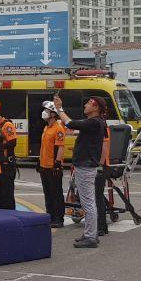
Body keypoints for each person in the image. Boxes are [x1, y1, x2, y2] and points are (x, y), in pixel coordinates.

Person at [51, 93, 106, 249]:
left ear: (96, 107)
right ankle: (90, 233)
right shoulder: (94, 122)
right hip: (86, 165)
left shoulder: (95, 123)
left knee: (88, 202)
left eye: (88, 103)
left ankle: (90, 236)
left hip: (86, 166)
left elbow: (69, 123)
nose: (85, 105)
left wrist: (59, 108)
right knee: (88, 201)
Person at [37, 100, 66, 227]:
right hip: (44, 166)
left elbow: (60, 147)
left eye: (47, 111)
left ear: (53, 114)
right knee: (48, 193)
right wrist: (39, 161)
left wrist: (58, 163)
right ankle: (50, 216)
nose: (44, 113)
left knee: (56, 194)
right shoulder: (46, 127)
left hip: (52, 167)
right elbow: (44, 147)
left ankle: (58, 219)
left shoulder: (58, 128)